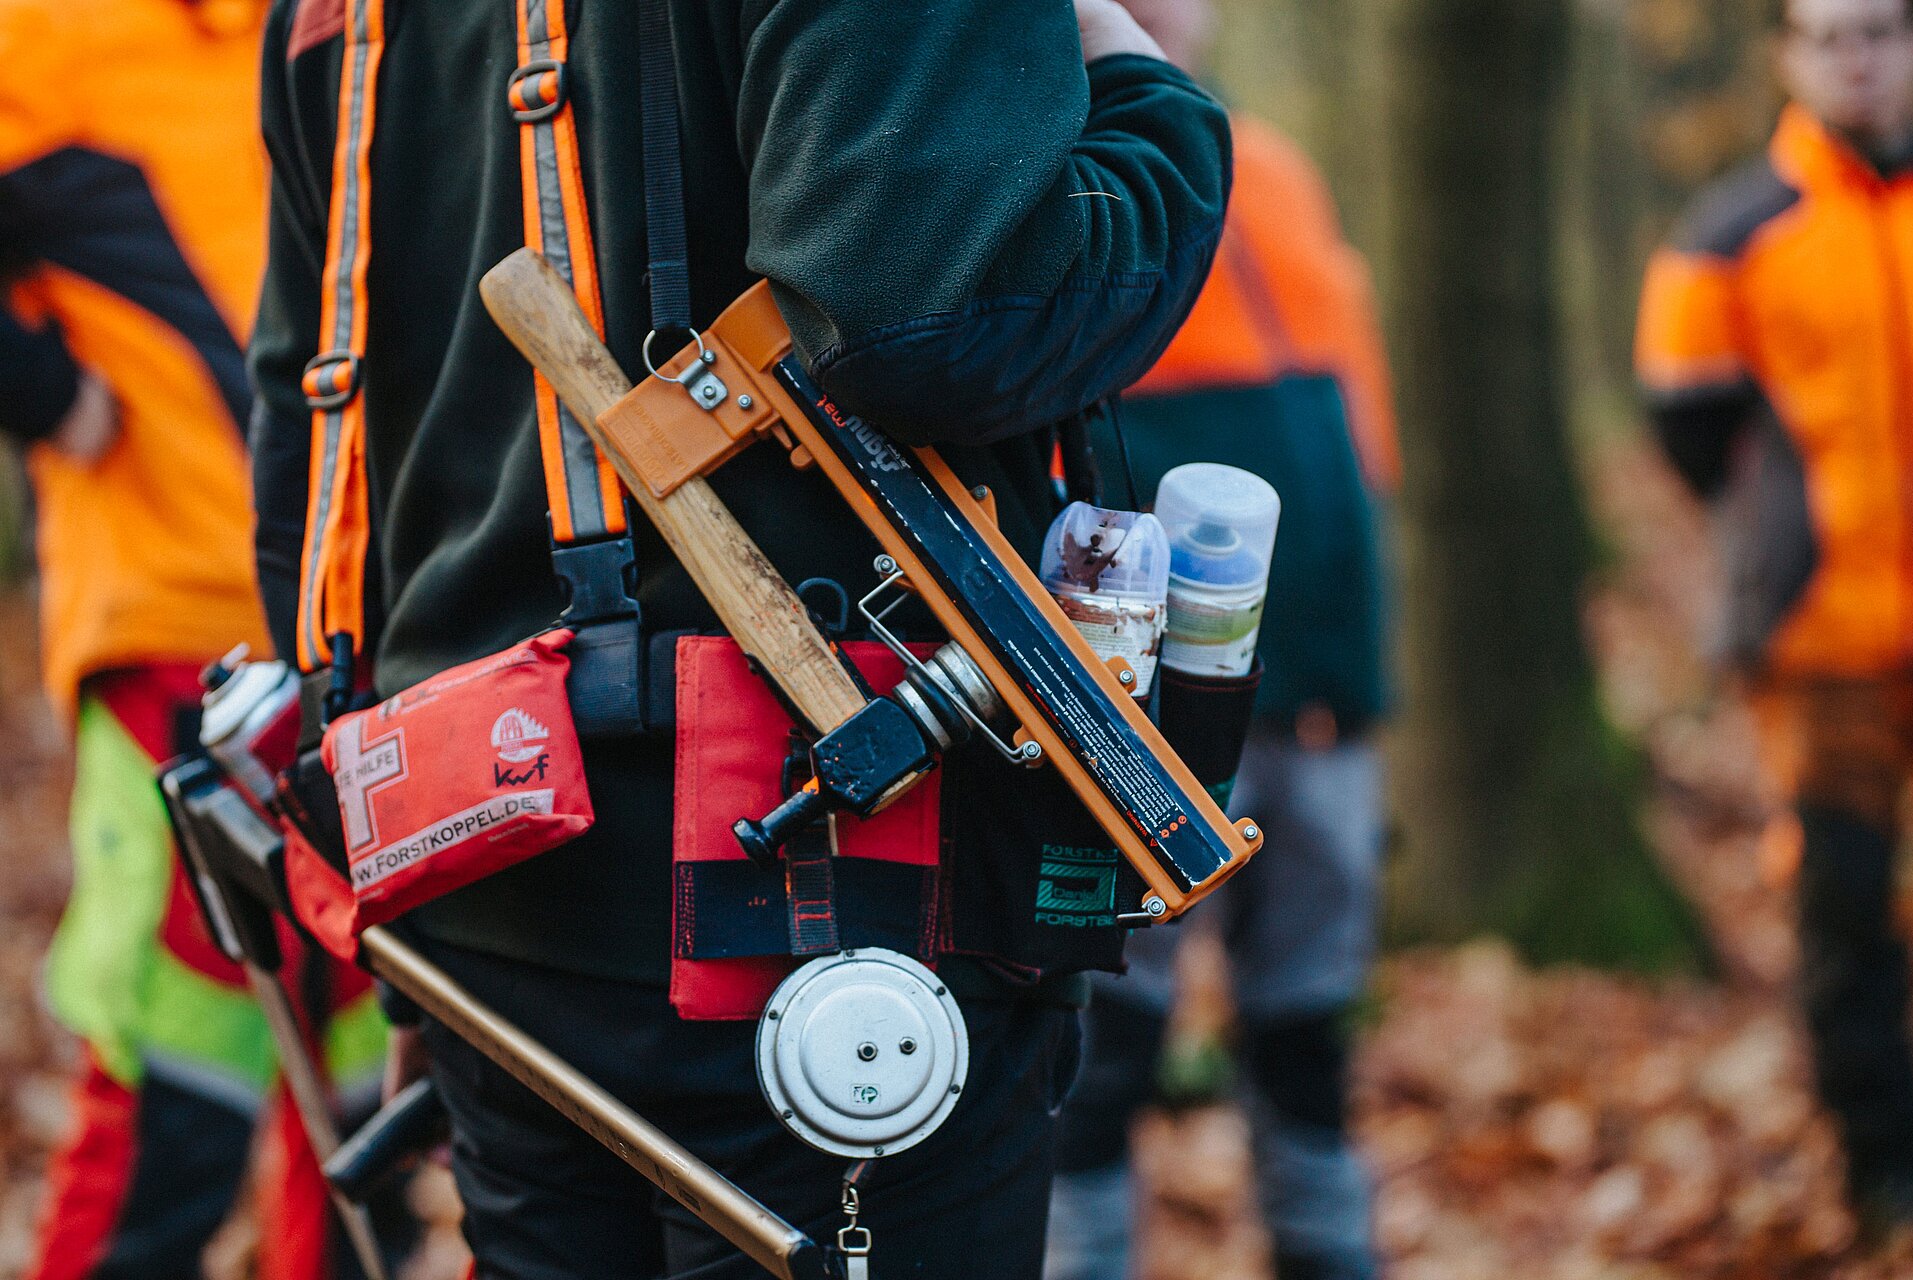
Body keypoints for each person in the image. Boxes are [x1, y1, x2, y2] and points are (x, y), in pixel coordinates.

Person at [247, 0, 1230, 1275]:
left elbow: (309, 447)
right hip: (837, 899)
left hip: (476, 855)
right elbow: (925, 310)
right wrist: (1158, 106)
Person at [0, 1, 390, 1276]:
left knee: (367, 1105)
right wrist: (51, 397)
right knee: (178, 1087)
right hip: (184, 633)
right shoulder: (44, 35)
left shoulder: (356, 21)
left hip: (384, 628)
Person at [1042, 5, 1398, 1279]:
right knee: (1105, 1020)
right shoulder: (1063, 174)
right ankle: (1076, 1259)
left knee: (1310, 1016)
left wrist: (1366, 649)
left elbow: (1356, 433)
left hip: (1324, 683)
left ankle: (1328, 1249)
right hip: (1145, 696)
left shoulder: (1281, 166)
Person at [1637, 0, 1913, 1232]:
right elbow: (1685, 425)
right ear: (1787, 57)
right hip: (1819, 647)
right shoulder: (1726, 236)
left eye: (1882, 31)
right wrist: (1783, 540)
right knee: (1846, 915)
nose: (1856, 58)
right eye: (1829, 36)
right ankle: (1886, 1172)